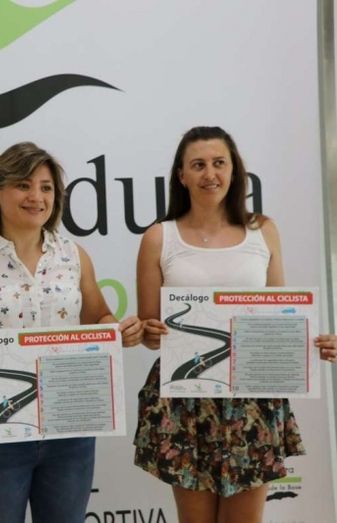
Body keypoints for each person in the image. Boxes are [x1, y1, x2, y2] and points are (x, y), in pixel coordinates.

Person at [0, 142, 144, 523]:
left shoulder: (73, 256)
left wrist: (118, 331)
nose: (36, 197)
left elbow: (99, 317)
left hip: (68, 426)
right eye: (23, 185)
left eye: (46, 188)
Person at [133, 126, 337, 523]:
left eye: (219, 163)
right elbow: (151, 334)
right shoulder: (159, 237)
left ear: (233, 170)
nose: (210, 173)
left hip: (253, 398)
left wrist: (315, 343)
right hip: (185, 399)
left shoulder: (263, 230)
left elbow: (279, 316)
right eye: (198, 165)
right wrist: (149, 332)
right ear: (181, 175)